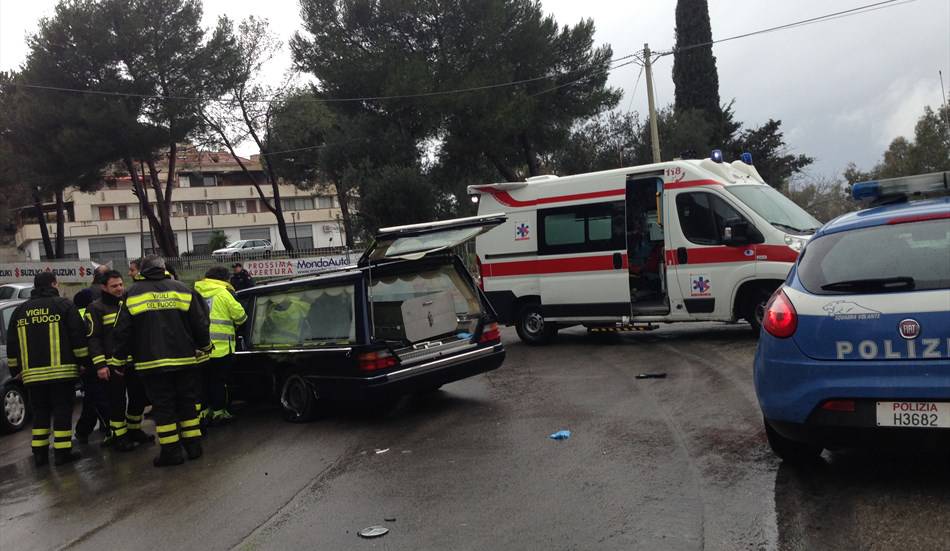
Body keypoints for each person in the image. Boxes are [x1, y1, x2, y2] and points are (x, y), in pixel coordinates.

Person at [113, 255, 212, 467]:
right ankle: (194, 447)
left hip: (152, 363)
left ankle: (171, 452)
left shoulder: (132, 294)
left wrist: (118, 360)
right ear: (163, 269)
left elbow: (122, 332)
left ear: (142, 271)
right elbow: (200, 323)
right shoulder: (183, 289)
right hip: (184, 359)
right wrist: (204, 347)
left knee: (164, 406)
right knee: (187, 403)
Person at [5, 272, 89, 467]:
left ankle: (40, 454)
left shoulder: (20, 310)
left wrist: (15, 370)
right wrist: (84, 362)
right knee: (62, 410)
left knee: (40, 412)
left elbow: (12, 343)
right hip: (62, 372)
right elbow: (78, 337)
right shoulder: (64, 305)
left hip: (32, 376)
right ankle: (62, 452)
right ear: (54, 284)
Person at [86, 270, 153, 452]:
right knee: (116, 402)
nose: (119, 289)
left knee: (138, 398)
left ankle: (134, 430)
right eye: (114, 286)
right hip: (111, 365)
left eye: (121, 284)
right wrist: (100, 365)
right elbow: (94, 338)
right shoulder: (96, 308)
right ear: (103, 287)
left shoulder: (129, 303)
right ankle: (119, 435)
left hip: (133, 362)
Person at [194, 266, 247, 425]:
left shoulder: (194, 293)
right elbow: (241, 317)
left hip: (199, 350)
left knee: (202, 382)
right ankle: (219, 412)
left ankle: (204, 413)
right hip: (221, 349)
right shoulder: (224, 293)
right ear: (224, 279)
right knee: (219, 382)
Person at [73, 264, 112, 442]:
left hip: (91, 357)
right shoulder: (104, 298)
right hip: (102, 355)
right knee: (100, 396)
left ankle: (86, 430)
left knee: (94, 396)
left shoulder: (83, 295)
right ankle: (103, 428)